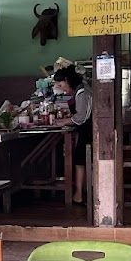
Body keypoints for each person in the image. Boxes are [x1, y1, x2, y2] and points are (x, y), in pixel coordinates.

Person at [52, 64, 91, 205]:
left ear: (68, 80)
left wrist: (63, 121)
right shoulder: (80, 90)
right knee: (80, 159)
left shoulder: (82, 92)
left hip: (88, 129)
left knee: (80, 159)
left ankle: (79, 194)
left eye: (61, 84)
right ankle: (82, 191)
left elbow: (81, 117)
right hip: (85, 129)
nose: (61, 88)